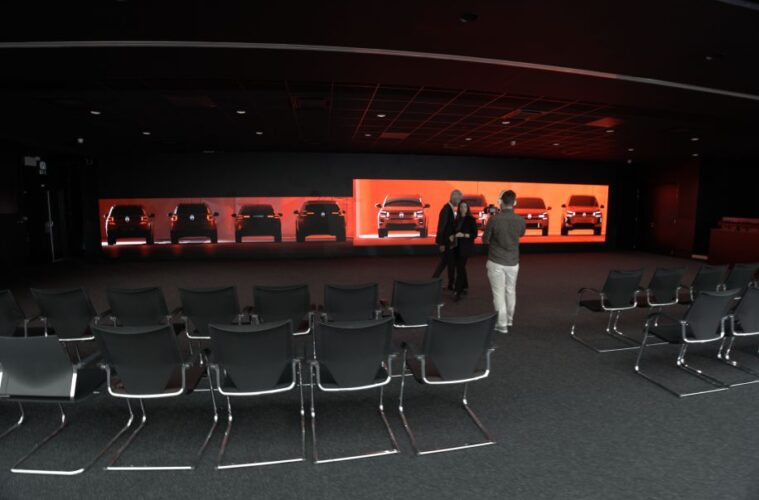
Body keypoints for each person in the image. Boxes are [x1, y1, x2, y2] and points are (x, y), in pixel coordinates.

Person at [482, 190, 526, 333]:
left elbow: (485, 240)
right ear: (514, 202)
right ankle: (509, 319)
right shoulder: (520, 220)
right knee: (510, 291)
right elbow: (521, 234)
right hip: (513, 261)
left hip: (496, 261)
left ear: (501, 202)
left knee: (498, 293)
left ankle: (502, 324)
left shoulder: (494, 219)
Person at [432, 189, 462, 290]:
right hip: (446, 243)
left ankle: (444, 283)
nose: (459, 202)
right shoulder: (446, 210)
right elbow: (441, 227)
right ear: (455, 199)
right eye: (459, 200)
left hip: (447, 242)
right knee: (447, 263)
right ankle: (446, 284)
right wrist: (441, 243)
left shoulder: (449, 209)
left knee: (445, 263)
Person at [451, 199, 478, 301]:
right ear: (459, 208)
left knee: (460, 268)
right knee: (461, 267)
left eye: (465, 207)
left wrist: (463, 235)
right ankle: (465, 286)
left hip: (466, 248)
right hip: (456, 247)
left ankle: (457, 291)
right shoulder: (456, 219)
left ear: (467, 208)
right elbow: (454, 232)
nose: (463, 209)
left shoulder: (471, 220)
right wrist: (452, 236)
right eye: (461, 207)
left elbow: (474, 234)